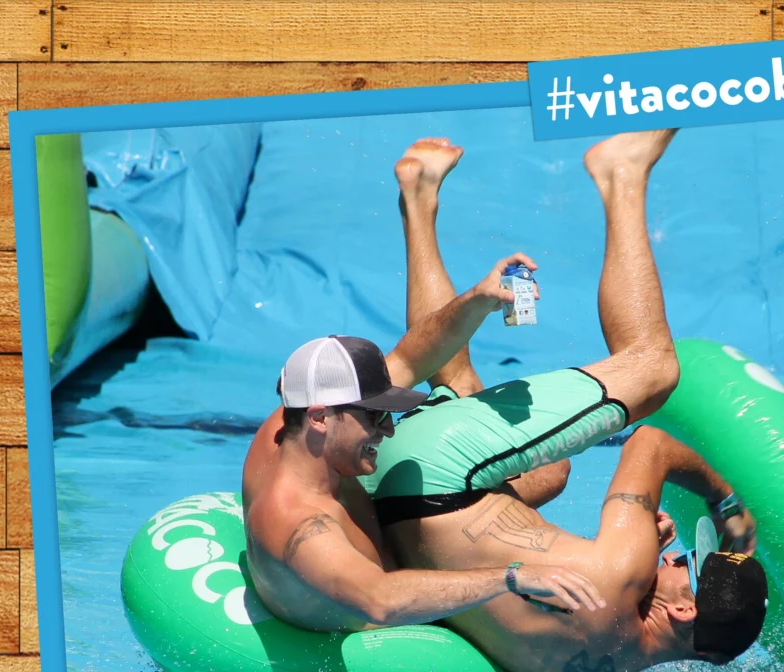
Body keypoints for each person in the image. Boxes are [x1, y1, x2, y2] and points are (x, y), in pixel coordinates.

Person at [358, 129, 768, 672]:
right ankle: (419, 199)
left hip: (431, 469)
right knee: (539, 463)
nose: (676, 556)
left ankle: (620, 174)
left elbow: (648, 445)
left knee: (650, 371)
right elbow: (544, 574)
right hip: (396, 504)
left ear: (682, 608)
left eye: (689, 566)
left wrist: (724, 501)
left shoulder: (625, 572)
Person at [242, 144, 605, 633]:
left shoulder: (299, 423)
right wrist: (513, 576)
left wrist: (479, 300)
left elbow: (414, 356)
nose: (389, 429)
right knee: (509, 438)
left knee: (546, 467)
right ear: (321, 416)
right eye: (376, 415)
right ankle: (419, 201)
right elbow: (379, 601)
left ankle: (419, 206)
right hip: (377, 580)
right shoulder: (299, 523)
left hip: (375, 508)